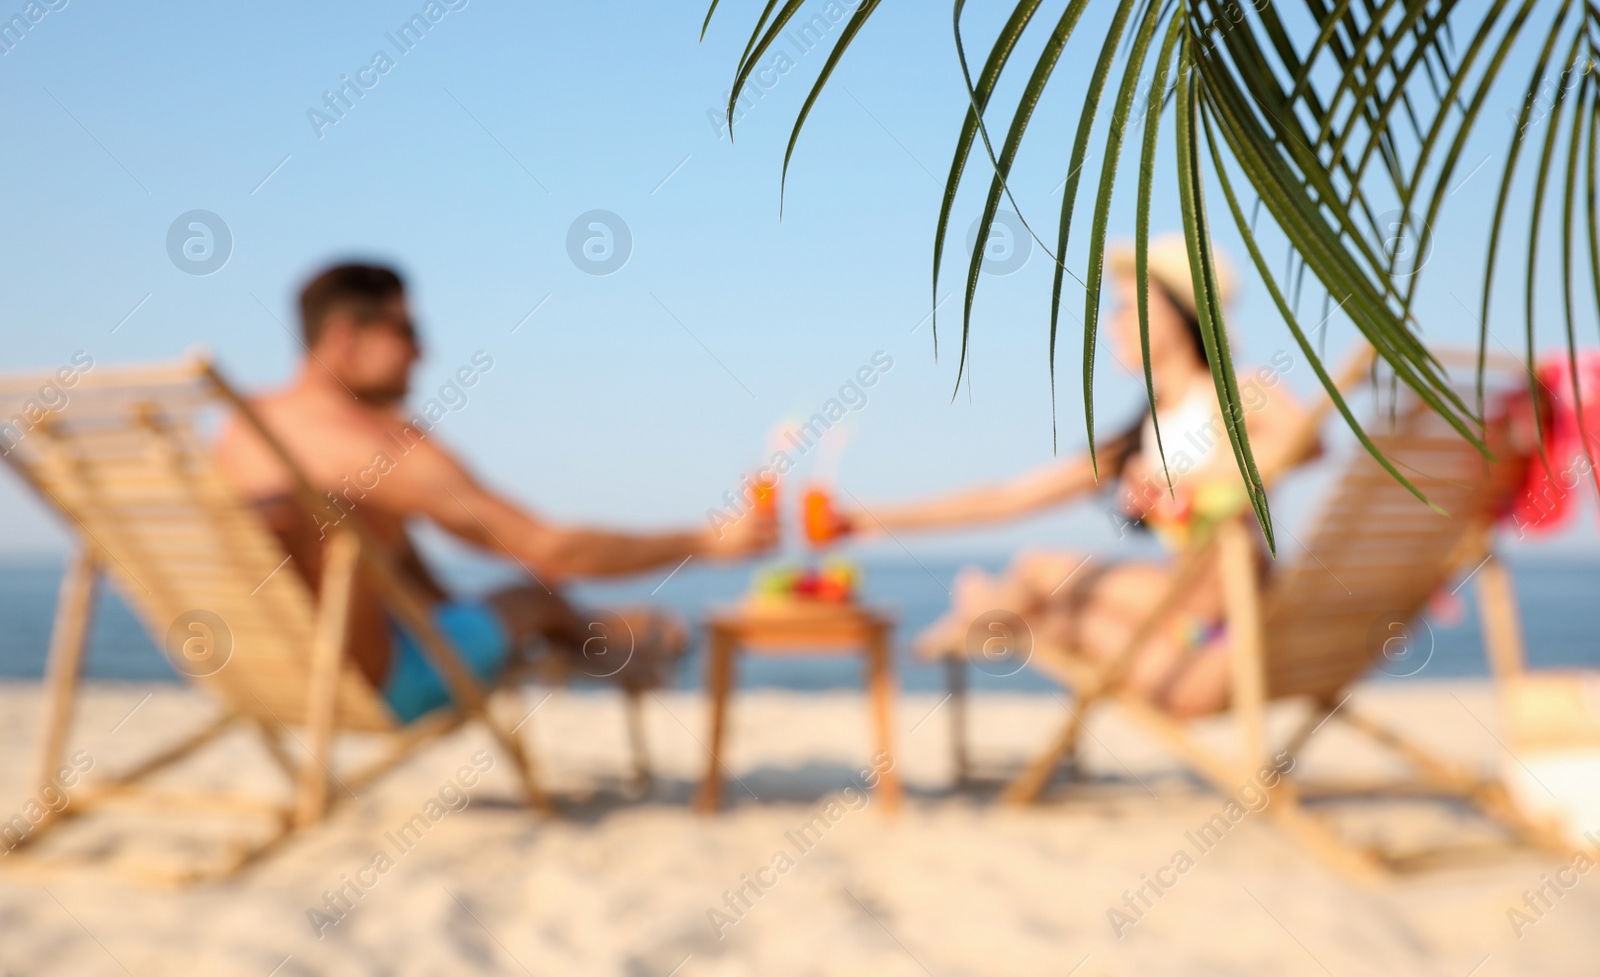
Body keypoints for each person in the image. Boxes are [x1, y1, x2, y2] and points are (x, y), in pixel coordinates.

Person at [215, 262, 776, 723]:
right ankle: (624, 655)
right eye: (406, 331)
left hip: (263, 680)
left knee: (374, 530)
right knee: (537, 594)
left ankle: (614, 644)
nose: (422, 353)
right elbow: (547, 547)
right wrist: (704, 541)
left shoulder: (242, 429)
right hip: (380, 689)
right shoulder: (375, 448)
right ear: (344, 338)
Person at [837, 235, 1317, 717]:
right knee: (1053, 611)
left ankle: (981, 618)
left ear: (1174, 313)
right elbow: (1008, 499)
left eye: (1126, 308)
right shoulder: (1137, 438)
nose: (1112, 323)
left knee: (1035, 570)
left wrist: (1185, 478)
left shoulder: (1236, 393)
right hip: (1182, 643)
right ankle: (988, 618)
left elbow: (1306, 442)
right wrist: (869, 519)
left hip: (1227, 633)